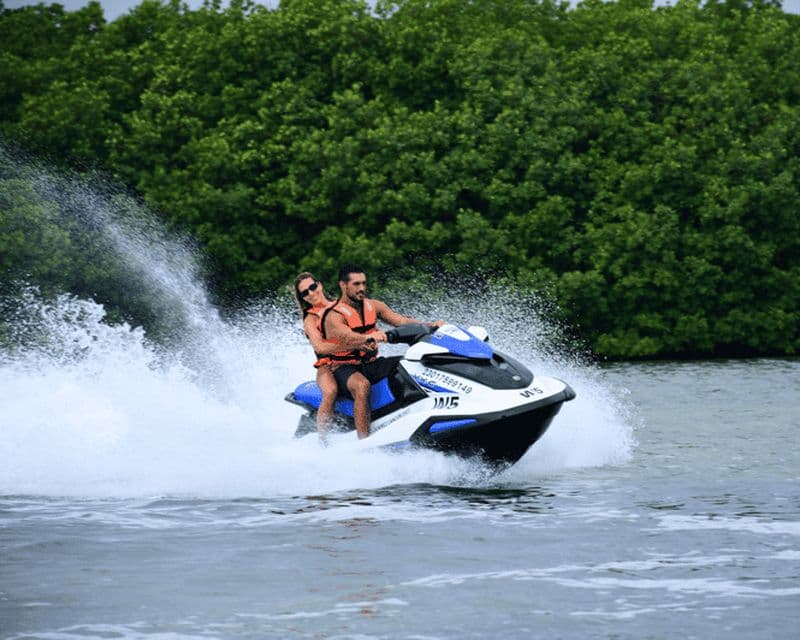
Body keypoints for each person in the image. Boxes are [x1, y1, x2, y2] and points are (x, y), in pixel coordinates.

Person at [322, 264, 443, 439]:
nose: (362, 288)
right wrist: (368, 338)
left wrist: (430, 325)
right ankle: (364, 441)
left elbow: (401, 321)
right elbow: (347, 336)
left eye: (363, 283)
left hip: (371, 363)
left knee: (412, 363)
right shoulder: (334, 315)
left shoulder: (374, 306)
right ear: (343, 285)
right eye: (356, 284)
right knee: (362, 386)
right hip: (343, 368)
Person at [293, 272, 375, 441]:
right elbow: (320, 347)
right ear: (302, 298)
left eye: (312, 287)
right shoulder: (310, 319)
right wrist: (355, 344)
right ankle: (323, 441)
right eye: (305, 293)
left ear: (320, 285)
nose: (311, 293)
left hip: (354, 360)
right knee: (330, 392)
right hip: (328, 366)